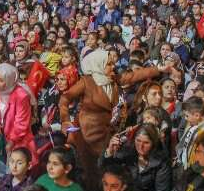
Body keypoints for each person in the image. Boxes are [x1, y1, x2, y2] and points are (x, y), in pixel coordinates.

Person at [60, 49, 173, 183]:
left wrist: (158, 69)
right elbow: (65, 99)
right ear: (98, 65)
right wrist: (65, 120)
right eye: (109, 64)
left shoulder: (113, 79)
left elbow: (133, 76)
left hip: (106, 135)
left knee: (103, 172)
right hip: (87, 137)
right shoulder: (86, 82)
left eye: (112, 63)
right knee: (89, 175)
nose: (113, 66)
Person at [0, 63, 37, 173]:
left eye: (0, 80)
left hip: (17, 139)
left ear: (9, 80)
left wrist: (12, 141)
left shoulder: (21, 95)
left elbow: (21, 123)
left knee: (13, 170)